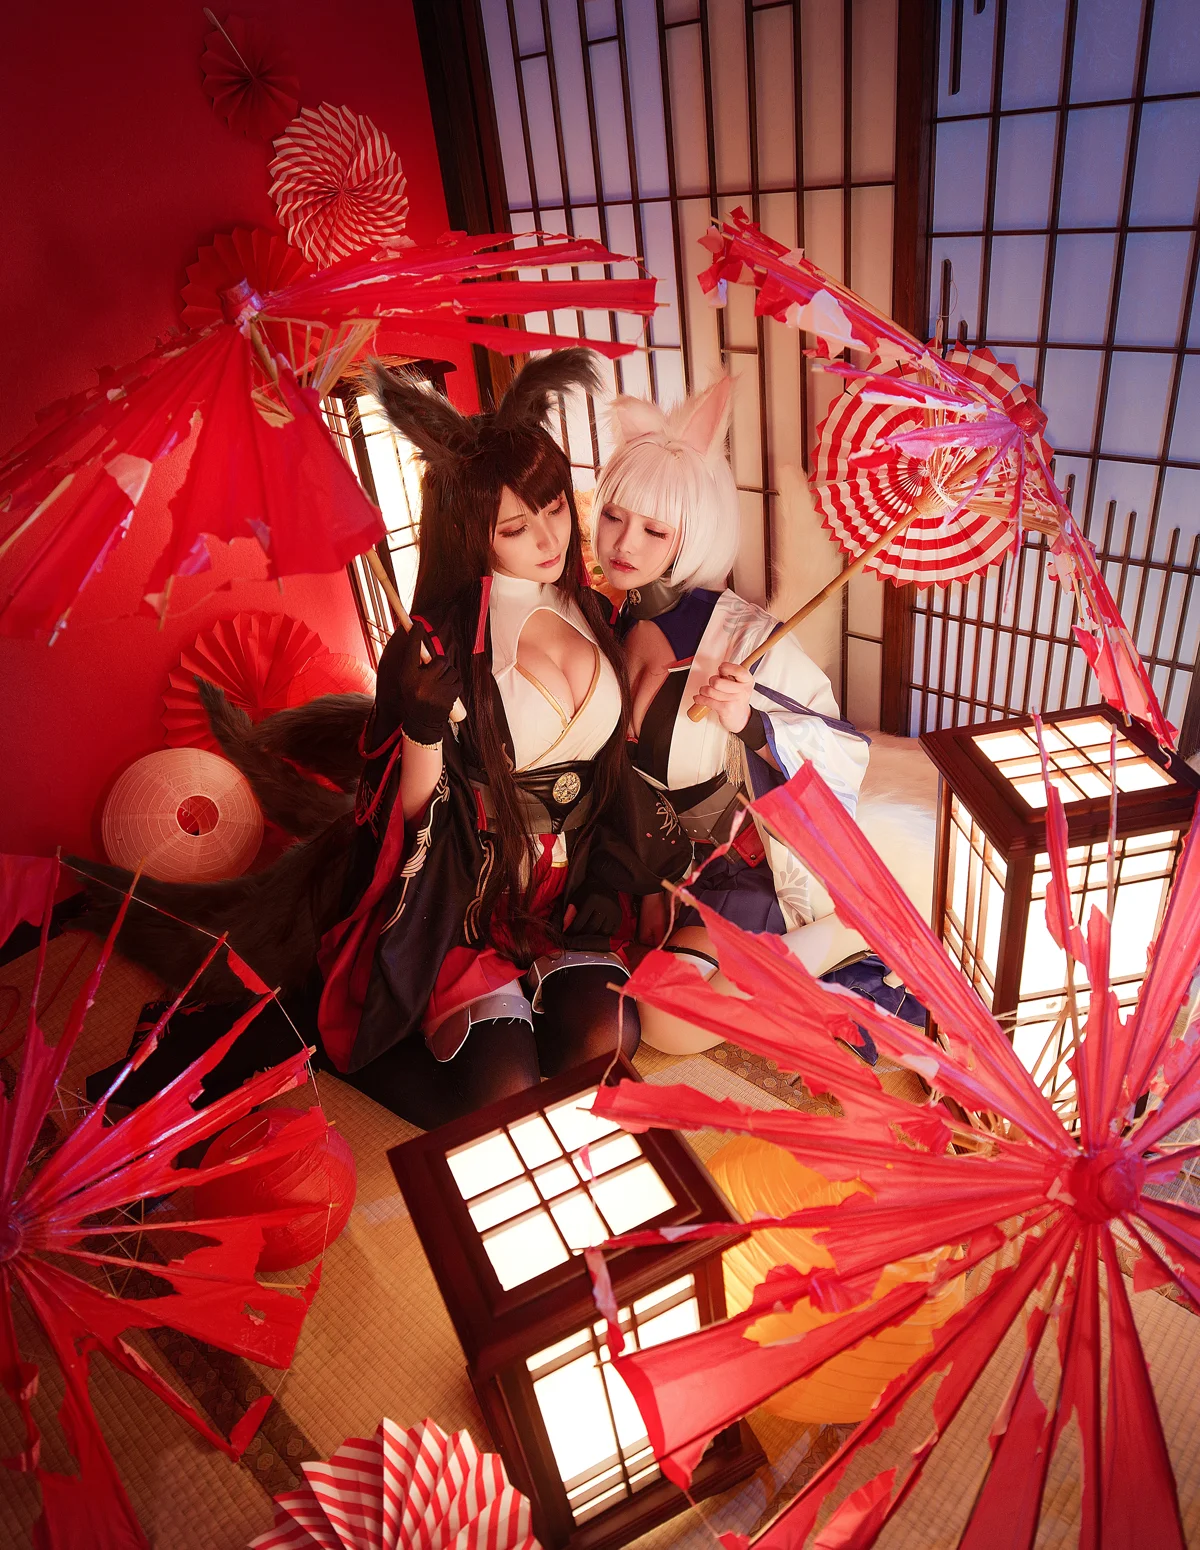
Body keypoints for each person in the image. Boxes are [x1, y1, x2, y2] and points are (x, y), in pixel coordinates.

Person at [75, 350, 691, 1128]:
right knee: (503, 1090)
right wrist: (425, 726)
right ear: (474, 531)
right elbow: (409, 809)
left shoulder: (594, 610)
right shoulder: (435, 644)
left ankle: (525, 1002)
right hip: (466, 891)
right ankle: (320, 1035)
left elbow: (613, 758)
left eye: (554, 509)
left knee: (604, 1041)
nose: (547, 537)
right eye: (515, 526)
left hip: (568, 889)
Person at [589, 380, 871, 1053]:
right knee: (607, 1006)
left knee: (665, 1023)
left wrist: (751, 723)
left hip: (739, 874)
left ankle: (839, 939)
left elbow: (844, 750)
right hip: (644, 869)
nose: (625, 544)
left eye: (655, 530)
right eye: (613, 517)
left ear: (694, 533)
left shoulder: (747, 639)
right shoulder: (600, 618)